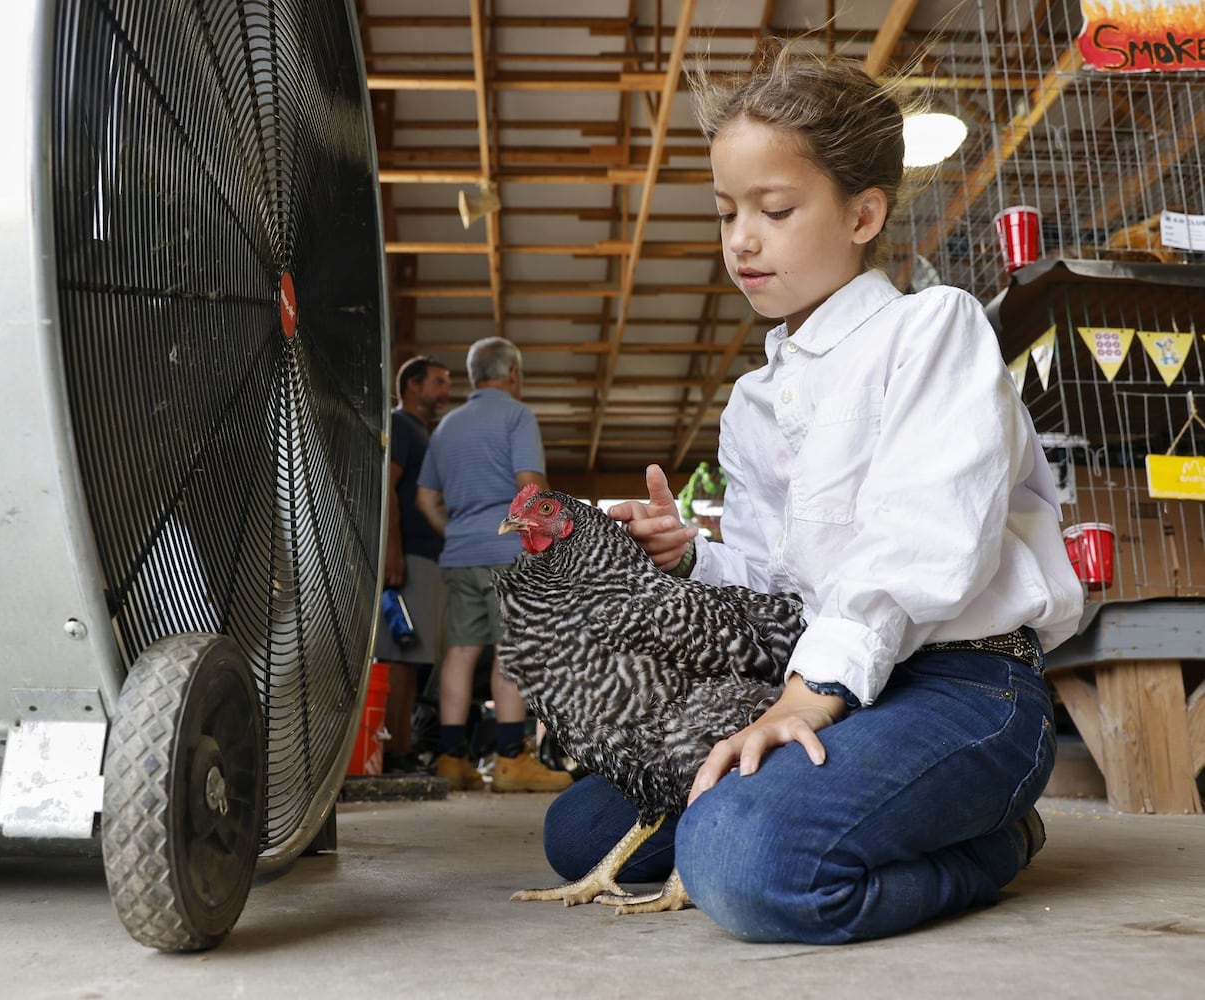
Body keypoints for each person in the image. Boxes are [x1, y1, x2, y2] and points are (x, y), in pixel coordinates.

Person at [537, 46, 1083, 943]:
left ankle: (994, 841)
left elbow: (923, 541)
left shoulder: (931, 329)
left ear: (864, 213)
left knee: (742, 862)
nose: (741, 239)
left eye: (775, 210)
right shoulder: (755, 401)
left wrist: (807, 697)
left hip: (964, 686)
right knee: (585, 832)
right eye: (725, 213)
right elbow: (775, 582)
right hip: (825, 685)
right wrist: (691, 556)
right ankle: (880, 816)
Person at [416, 337, 572, 794]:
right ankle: (509, 760)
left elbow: (426, 498)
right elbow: (529, 483)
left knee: (460, 653)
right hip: (508, 555)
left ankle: (451, 760)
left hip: (460, 553)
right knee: (510, 650)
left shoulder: (446, 426)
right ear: (514, 375)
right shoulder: (516, 415)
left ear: (472, 376)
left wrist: (456, 532)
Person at [376, 355, 453, 773]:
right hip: (409, 558)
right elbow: (386, 489)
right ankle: (392, 750)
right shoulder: (402, 426)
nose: (446, 390)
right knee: (399, 654)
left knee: (410, 655)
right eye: (439, 382)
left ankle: (399, 747)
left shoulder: (423, 434)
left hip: (424, 557)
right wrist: (393, 551)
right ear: (412, 386)